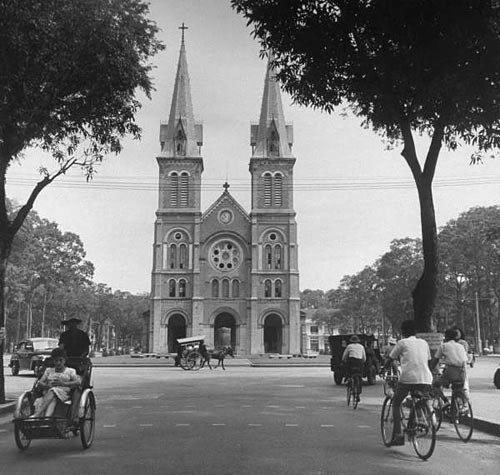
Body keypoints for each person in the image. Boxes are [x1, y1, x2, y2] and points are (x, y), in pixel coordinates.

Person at [385, 320, 433, 446]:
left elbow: (390, 359)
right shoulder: (424, 343)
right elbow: (428, 359)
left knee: (396, 403)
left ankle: (398, 435)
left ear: (403, 331)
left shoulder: (402, 343)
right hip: (426, 378)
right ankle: (417, 421)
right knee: (419, 399)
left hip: (408, 378)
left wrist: (383, 369)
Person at [31, 348, 81, 418]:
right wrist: (47, 385)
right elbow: (40, 382)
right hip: (48, 392)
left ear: (64, 360)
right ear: (53, 361)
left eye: (60, 360)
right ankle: (46, 419)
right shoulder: (49, 370)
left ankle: (37, 414)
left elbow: (78, 382)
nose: (58, 363)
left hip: (63, 393)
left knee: (53, 391)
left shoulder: (70, 371)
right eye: (56, 360)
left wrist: (63, 383)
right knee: (53, 396)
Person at [430, 328, 469, 412]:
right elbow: (464, 360)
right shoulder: (461, 346)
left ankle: (445, 401)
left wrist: (430, 369)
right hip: (462, 371)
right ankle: (460, 409)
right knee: (457, 390)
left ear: (446, 337)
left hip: (451, 371)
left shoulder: (444, 346)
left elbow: (435, 360)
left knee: (435, 385)